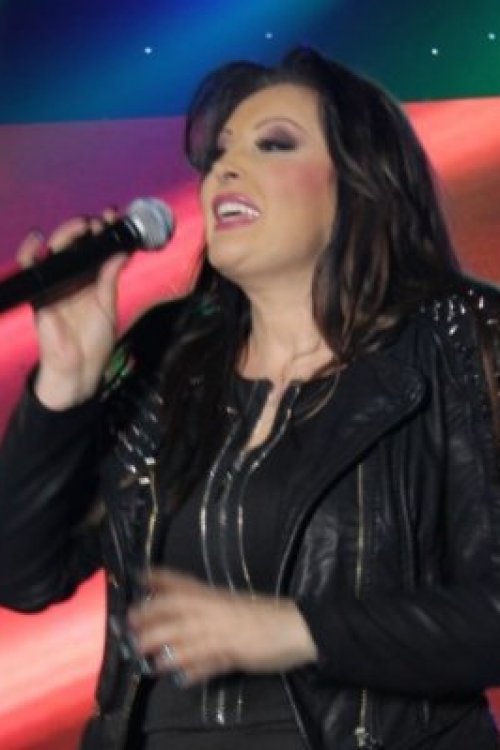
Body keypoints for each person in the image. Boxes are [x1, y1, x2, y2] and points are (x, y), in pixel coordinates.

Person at [0, 45, 500, 750]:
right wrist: (67, 381)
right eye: (220, 154)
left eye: (273, 144)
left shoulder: (459, 336)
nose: (225, 169)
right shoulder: (167, 354)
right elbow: (21, 574)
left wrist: (294, 629)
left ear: (363, 181)